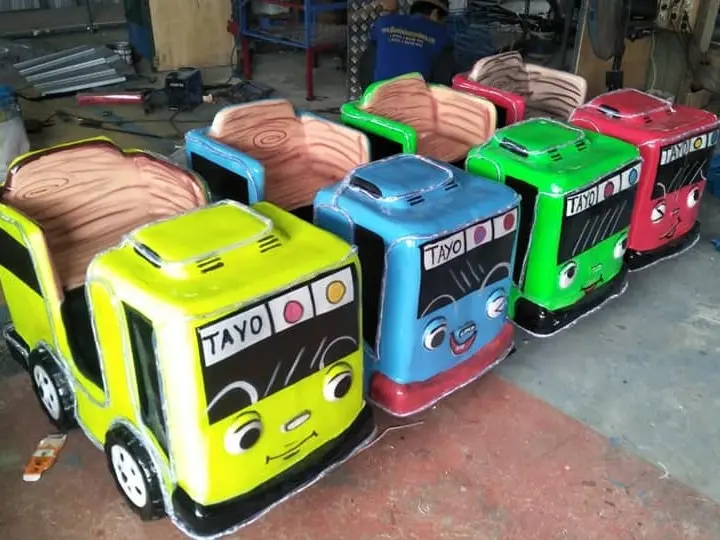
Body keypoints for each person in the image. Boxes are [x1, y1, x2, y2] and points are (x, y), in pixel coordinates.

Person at [359, 0, 455, 91]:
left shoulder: (383, 22)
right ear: (434, 14)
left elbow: (366, 62)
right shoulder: (441, 34)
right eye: (443, 21)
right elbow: (442, 79)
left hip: (377, 95)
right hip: (414, 98)